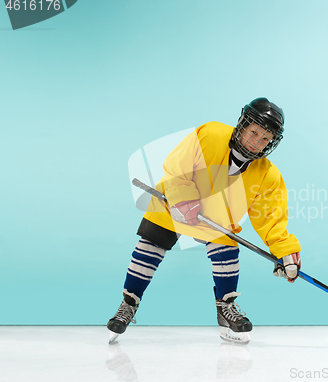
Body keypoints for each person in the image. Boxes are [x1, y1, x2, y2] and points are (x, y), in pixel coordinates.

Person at [107, 98, 302, 344]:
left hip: (215, 217)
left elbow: (271, 217)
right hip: (172, 204)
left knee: (227, 251)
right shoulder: (209, 134)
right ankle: (128, 304)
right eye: (254, 133)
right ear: (243, 125)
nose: (257, 142)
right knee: (150, 245)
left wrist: (284, 251)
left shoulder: (268, 174)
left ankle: (226, 309)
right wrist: (183, 198)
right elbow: (176, 166)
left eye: (265, 139)